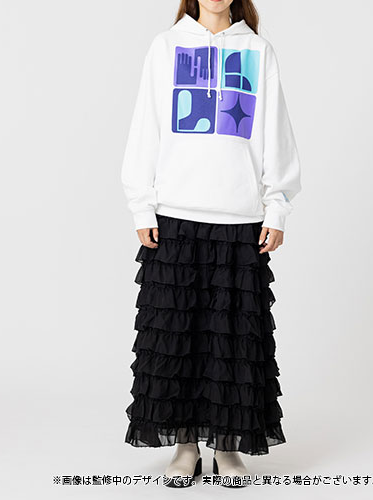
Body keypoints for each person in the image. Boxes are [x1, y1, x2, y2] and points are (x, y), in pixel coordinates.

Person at [121, 0, 301, 488]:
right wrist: (142, 205)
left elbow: (275, 131)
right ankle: (185, 446)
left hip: (238, 218)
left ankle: (227, 447)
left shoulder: (257, 51)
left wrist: (277, 206)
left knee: (233, 340)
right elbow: (146, 125)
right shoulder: (166, 46)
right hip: (175, 217)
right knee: (175, 339)